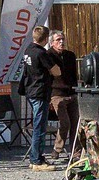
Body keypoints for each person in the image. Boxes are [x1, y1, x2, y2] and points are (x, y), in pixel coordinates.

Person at [18, 24, 61, 170]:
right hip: (40, 91)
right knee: (39, 127)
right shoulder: (41, 53)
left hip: (31, 91)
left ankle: (37, 158)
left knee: (38, 125)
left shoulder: (28, 50)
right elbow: (57, 72)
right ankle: (37, 160)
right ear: (46, 39)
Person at [47, 29, 79, 162]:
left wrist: (76, 90)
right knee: (65, 123)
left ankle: (75, 153)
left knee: (76, 123)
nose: (61, 42)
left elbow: (74, 75)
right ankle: (57, 149)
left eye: (62, 39)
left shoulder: (70, 55)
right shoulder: (48, 56)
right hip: (57, 94)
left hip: (71, 92)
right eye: (58, 40)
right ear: (51, 43)